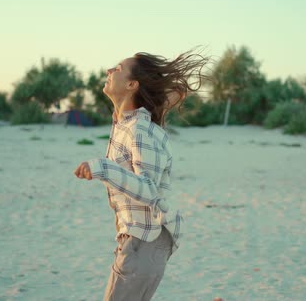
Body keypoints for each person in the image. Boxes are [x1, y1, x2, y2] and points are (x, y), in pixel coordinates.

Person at [73, 49, 209, 300]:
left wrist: (104, 168)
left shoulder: (139, 129)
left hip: (145, 241)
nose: (109, 71)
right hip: (138, 241)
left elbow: (149, 189)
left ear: (132, 84)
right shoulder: (126, 125)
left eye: (117, 69)